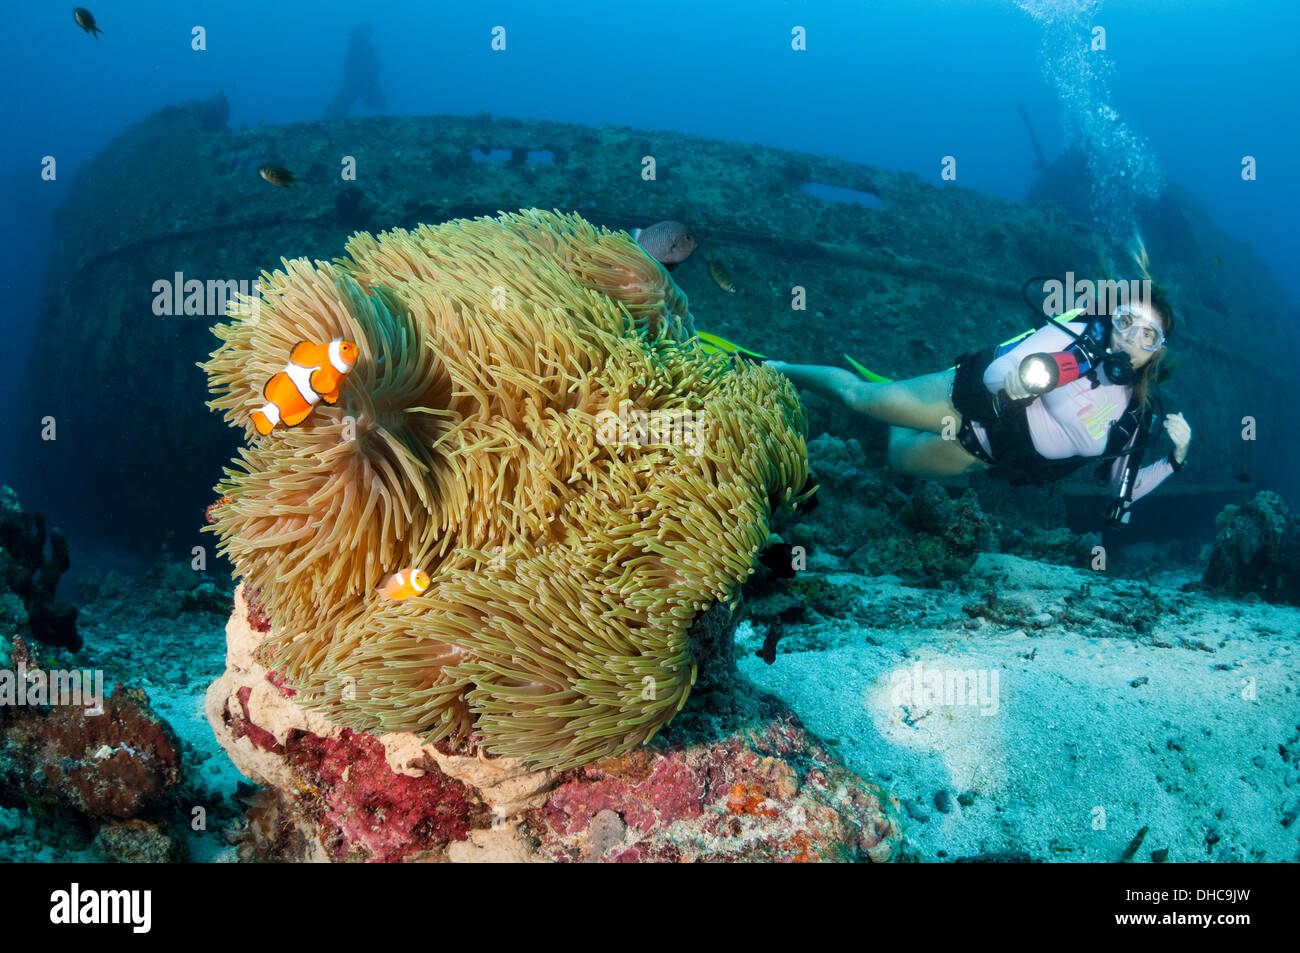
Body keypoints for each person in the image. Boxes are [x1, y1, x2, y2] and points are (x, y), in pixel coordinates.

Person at [767, 288, 1191, 522]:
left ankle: (895, 401)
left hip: (979, 455)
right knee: (856, 397)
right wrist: (1019, 380)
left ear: (1158, 352)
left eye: (1148, 335)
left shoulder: (1137, 415)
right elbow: (999, 371)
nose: (1131, 339)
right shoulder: (1076, 339)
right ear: (1110, 319)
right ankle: (777, 367)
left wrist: (1175, 459)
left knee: (896, 459)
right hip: (960, 406)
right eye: (1125, 322)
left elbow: (1125, 491)